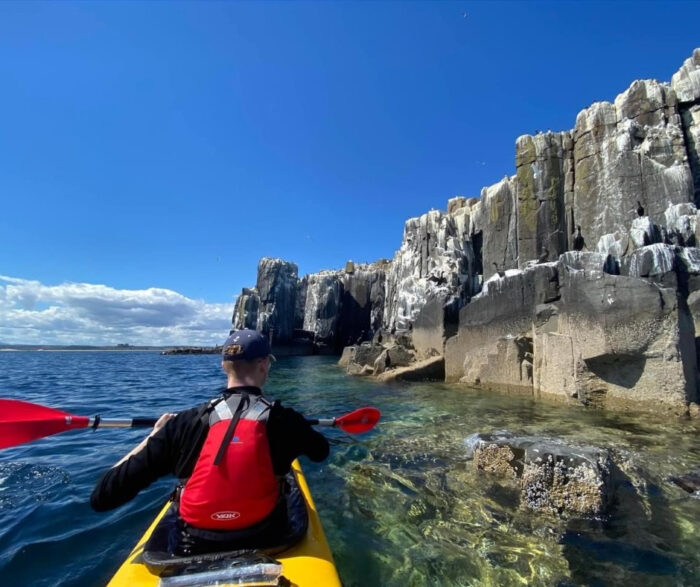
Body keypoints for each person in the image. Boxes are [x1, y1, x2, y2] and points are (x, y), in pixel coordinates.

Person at [90, 329, 329, 552]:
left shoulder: (183, 423)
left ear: (224, 366)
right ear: (264, 365)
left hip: (194, 542)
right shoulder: (286, 420)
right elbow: (321, 452)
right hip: (266, 536)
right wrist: (298, 431)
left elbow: (103, 497)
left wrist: (153, 437)